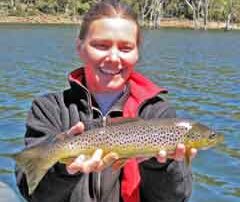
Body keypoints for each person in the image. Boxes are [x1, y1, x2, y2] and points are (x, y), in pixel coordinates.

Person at [16, 0, 197, 202]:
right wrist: (63, 169)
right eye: (101, 46)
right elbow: (32, 193)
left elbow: (177, 198)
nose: (113, 57)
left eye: (125, 48)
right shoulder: (49, 109)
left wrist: (159, 164)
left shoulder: (158, 113)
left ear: (137, 53)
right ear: (80, 47)